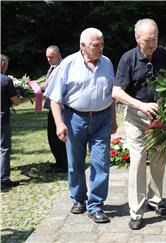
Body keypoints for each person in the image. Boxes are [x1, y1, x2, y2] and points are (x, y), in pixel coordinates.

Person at [44, 28, 117, 223]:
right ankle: (78, 198)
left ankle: (96, 205)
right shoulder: (68, 64)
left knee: (101, 162)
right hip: (75, 118)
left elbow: (112, 94)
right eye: (96, 45)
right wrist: (59, 123)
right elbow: (55, 98)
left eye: (102, 44)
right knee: (75, 163)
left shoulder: (108, 63)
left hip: (102, 119)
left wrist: (114, 118)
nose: (100, 48)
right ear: (83, 46)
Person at [112, 18, 166, 230]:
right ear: (137, 39)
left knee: (158, 160)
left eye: (155, 38)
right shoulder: (127, 59)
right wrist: (141, 105)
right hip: (136, 117)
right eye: (148, 40)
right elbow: (117, 92)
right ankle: (136, 211)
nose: (152, 43)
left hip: (161, 118)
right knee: (138, 160)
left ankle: (156, 200)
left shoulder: (165, 55)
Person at [43, 45, 68, 173]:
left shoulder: (61, 68)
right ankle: (60, 161)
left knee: (57, 136)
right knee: (52, 136)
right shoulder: (53, 67)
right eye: (47, 57)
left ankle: (63, 164)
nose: (48, 59)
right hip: (53, 107)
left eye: (51, 57)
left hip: (60, 108)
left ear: (58, 55)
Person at [1, 54, 21, 189]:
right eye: (6, 65)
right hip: (2, 119)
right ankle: (3, 179)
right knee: (4, 148)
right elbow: (15, 100)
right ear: (2, 65)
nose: (7, 67)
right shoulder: (5, 80)